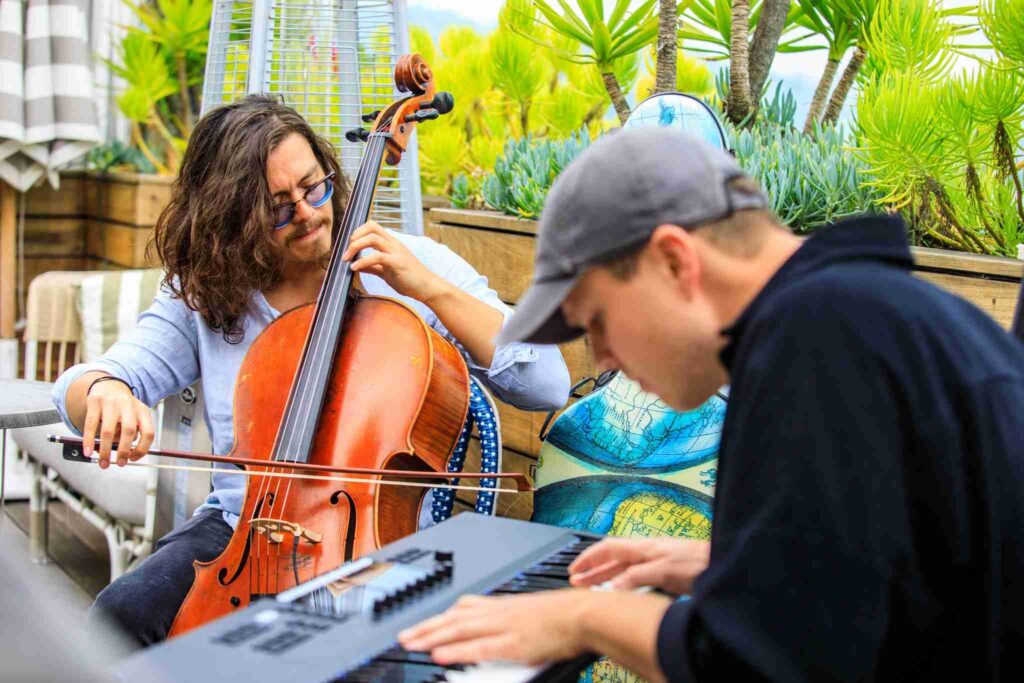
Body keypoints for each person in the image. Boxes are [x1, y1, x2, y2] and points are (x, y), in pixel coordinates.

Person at [399, 128, 1024, 681]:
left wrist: (583, 616)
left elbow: (768, 662)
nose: (605, 358)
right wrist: (731, 565)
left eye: (598, 320)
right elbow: (886, 577)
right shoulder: (860, 313)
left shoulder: (816, 338)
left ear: (675, 261)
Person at [51, 94, 570, 646]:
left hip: (369, 545)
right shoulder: (209, 294)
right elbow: (83, 384)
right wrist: (104, 393)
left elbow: (547, 383)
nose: (307, 213)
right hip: (238, 533)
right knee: (119, 618)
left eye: (312, 186)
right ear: (229, 221)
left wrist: (429, 290)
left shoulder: (410, 267)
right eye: (276, 207)